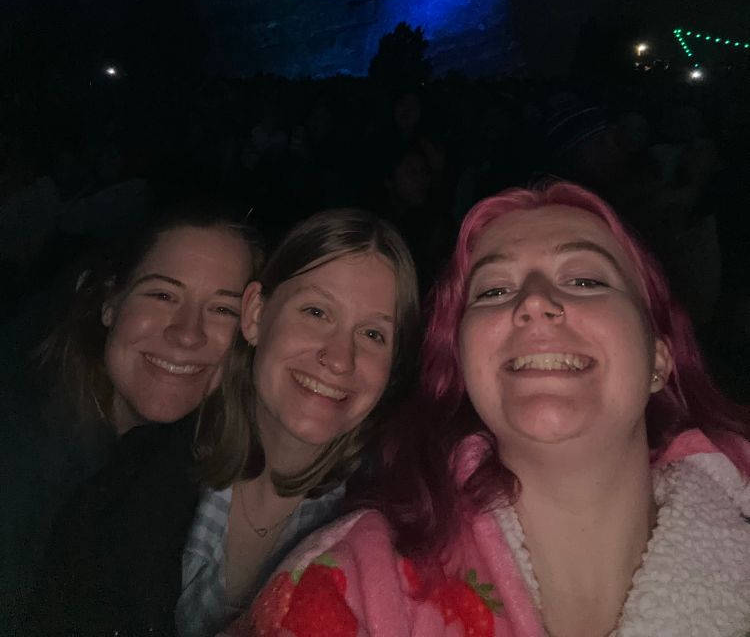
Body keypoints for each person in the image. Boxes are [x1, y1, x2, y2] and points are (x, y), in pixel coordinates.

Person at [240, 182, 750, 637]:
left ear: (659, 359)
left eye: (585, 280)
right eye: (495, 290)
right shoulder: (349, 584)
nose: (533, 301)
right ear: (464, 365)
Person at [176, 207, 420, 637]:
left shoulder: (392, 528)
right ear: (255, 315)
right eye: (316, 312)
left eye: (373, 335)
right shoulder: (147, 472)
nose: (339, 359)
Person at [26, 206, 263, 637]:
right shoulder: (22, 457)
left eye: (222, 309)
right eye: (163, 295)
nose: (187, 333)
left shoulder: (205, 474)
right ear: (110, 303)